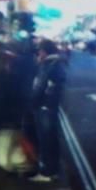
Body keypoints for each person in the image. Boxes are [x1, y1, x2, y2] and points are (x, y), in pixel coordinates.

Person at [29, 39, 66, 182]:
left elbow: (39, 86)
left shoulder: (48, 65)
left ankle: (46, 172)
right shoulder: (57, 64)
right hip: (51, 105)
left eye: (40, 51)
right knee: (52, 139)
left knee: (45, 140)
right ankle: (53, 170)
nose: (38, 53)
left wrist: (32, 103)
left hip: (44, 106)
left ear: (44, 51)